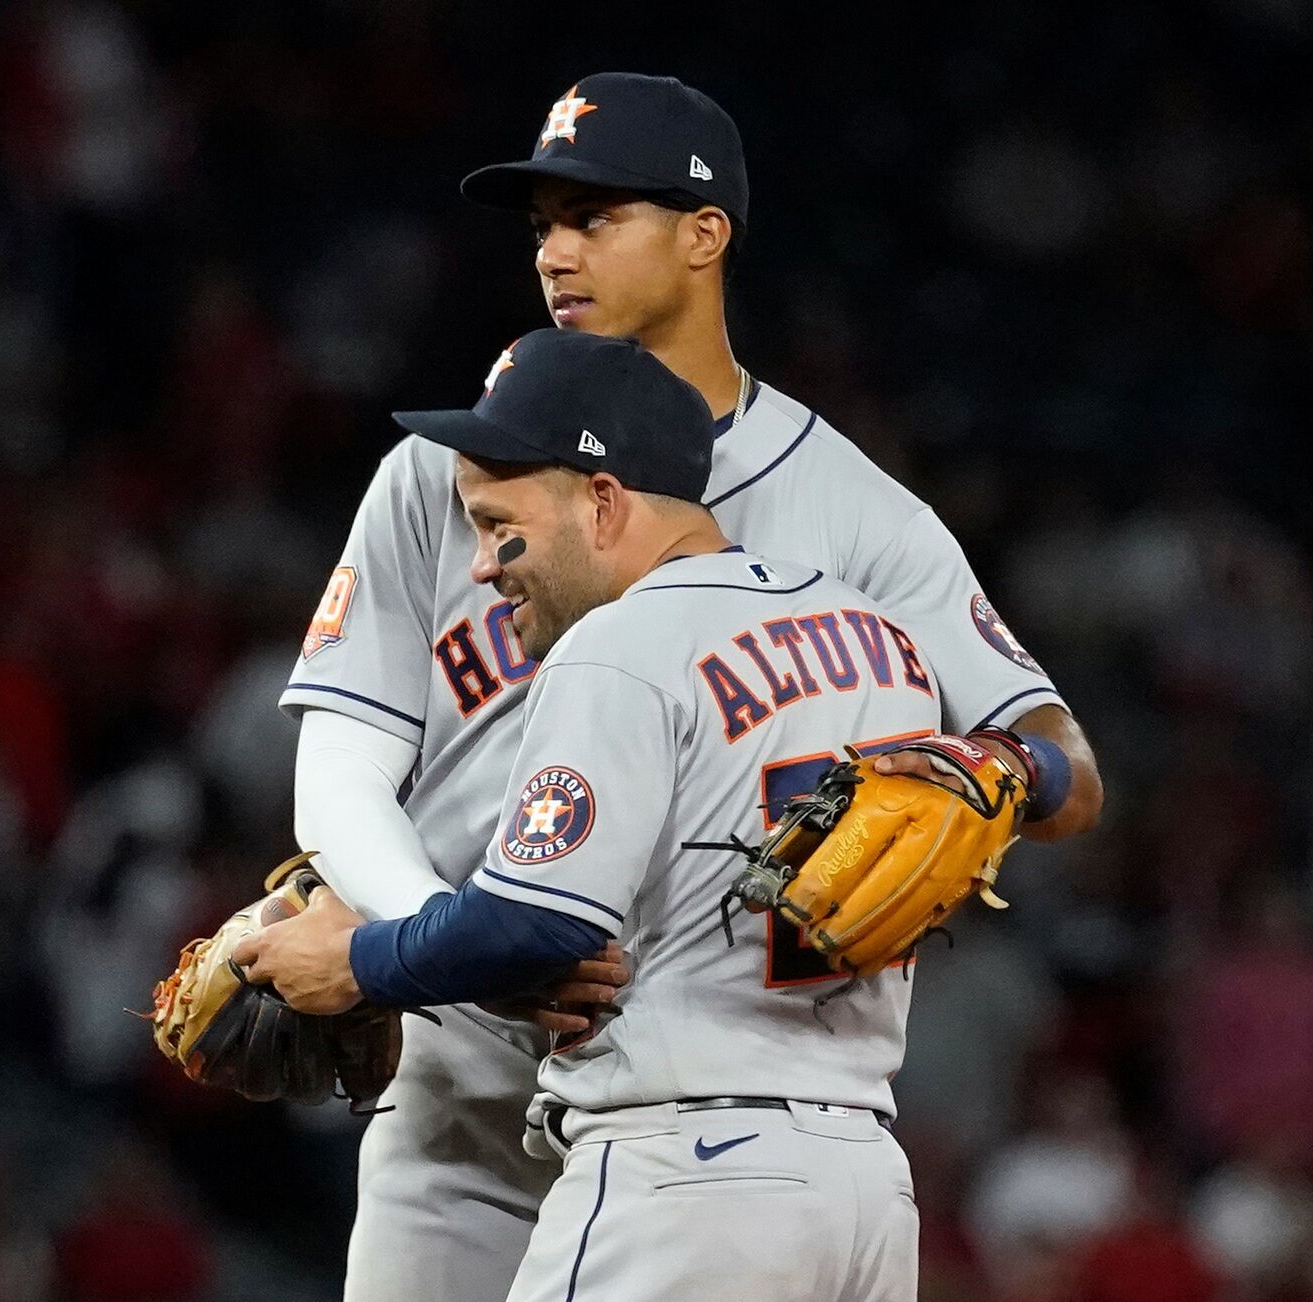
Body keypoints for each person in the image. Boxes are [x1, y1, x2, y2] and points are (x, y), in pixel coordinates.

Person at [278, 72, 1105, 1300]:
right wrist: (440, 942)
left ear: (704, 234)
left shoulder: (858, 515)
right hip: (459, 1089)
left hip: (696, 1095)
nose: (556, 252)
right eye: (542, 224)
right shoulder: (444, 471)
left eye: (594, 215)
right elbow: (337, 767)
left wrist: (991, 770)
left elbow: (1062, 763)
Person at [243, 326, 968, 1299]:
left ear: (601, 499)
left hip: (681, 1169)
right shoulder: (883, 647)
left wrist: (354, 961)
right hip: (862, 1186)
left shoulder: (620, 647)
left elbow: (536, 924)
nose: (484, 567)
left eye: (504, 528)